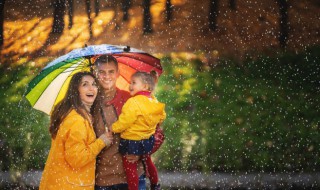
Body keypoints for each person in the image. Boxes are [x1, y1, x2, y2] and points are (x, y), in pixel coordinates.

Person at [39, 72, 113, 190]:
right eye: (85, 84)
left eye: (94, 84)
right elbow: (77, 159)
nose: (91, 88)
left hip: (60, 183)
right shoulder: (77, 121)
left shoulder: (75, 115)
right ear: (76, 90)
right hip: (69, 185)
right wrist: (101, 142)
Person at [93, 55, 146, 190]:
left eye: (111, 72)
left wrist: (141, 152)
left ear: (117, 73)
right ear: (95, 73)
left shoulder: (132, 99)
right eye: (102, 72)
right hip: (102, 179)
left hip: (133, 175)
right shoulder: (89, 103)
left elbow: (154, 131)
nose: (107, 76)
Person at [111, 71, 166, 190]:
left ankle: (133, 188)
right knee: (148, 162)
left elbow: (125, 121)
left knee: (130, 168)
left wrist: (113, 128)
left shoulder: (133, 102)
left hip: (132, 141)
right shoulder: (153, 100)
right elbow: (162, 116)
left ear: (145, 86)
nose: (130, 85)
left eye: (134, 83)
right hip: (147, 140)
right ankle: (155, 184)